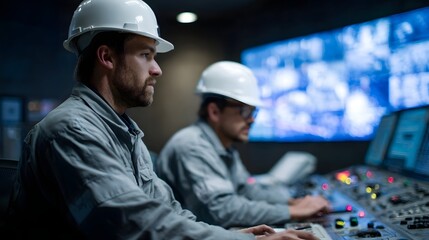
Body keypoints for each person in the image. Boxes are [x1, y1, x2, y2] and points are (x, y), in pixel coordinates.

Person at [6, 0, 320, 239]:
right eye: (146, 55)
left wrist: (232, 235)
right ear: (107, 57)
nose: (157, 69)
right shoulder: (72, 129)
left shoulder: (125, 132)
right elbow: (133, 223)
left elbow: (165, 210)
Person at [156, 61, 331, 228]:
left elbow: (246, 189)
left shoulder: (223, 145)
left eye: (254, 111)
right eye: (244, 110)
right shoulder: (192, 146)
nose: (252, 119)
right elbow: (223, 210)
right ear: (215, 111)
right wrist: (291, 211)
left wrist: (291, 202)